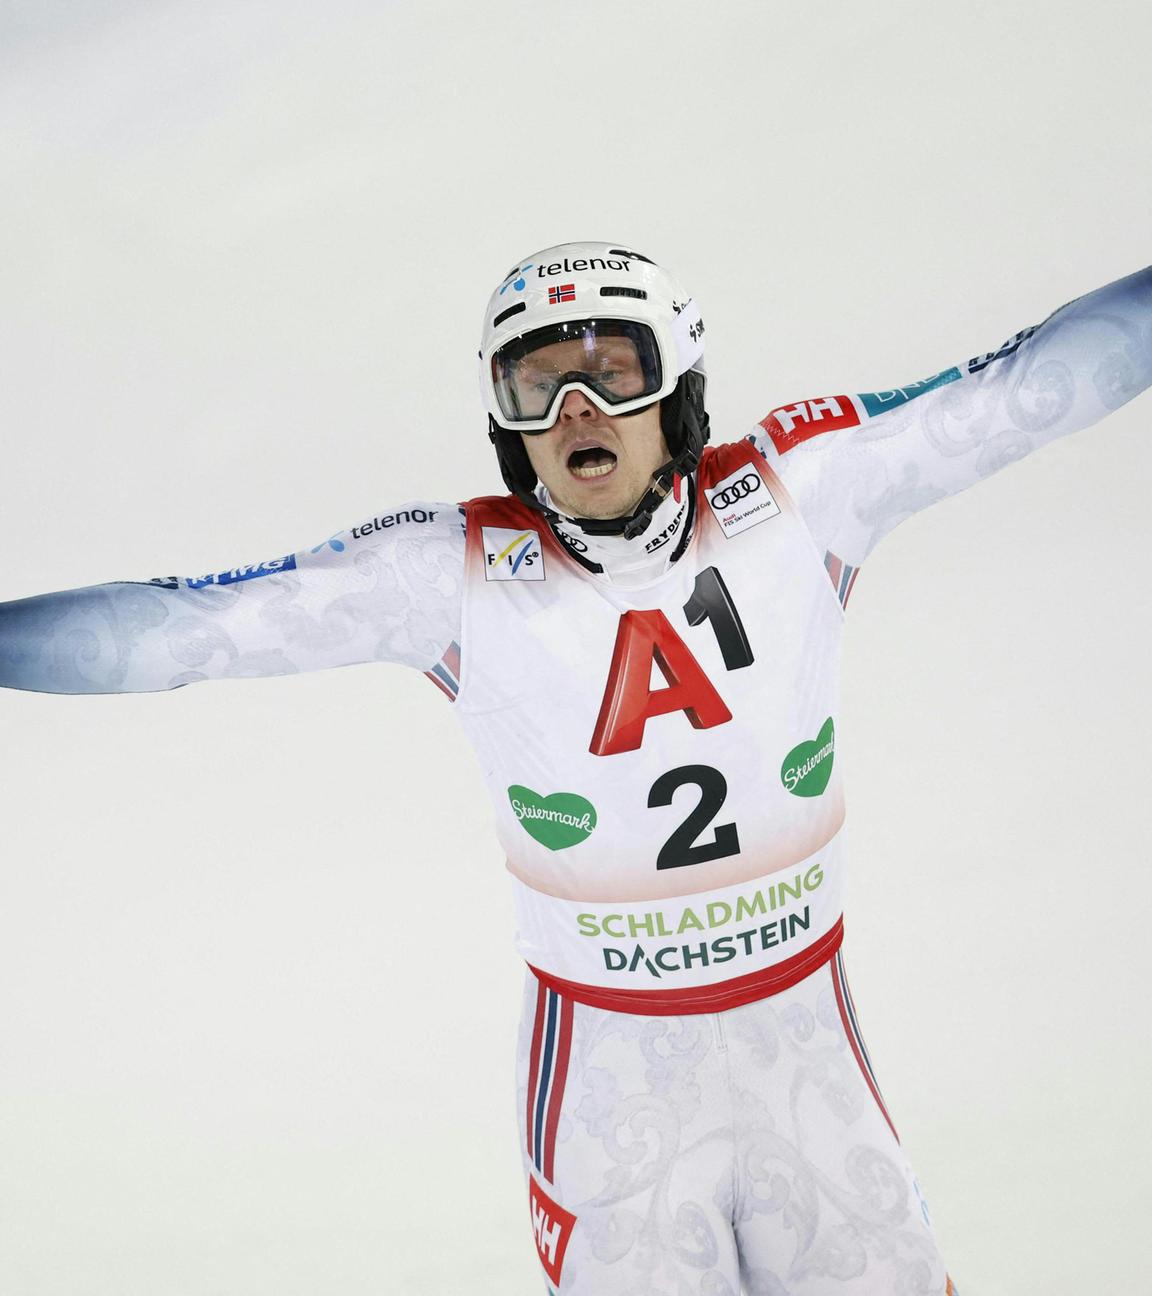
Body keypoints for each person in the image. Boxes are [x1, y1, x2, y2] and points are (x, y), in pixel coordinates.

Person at [2, 241, 1149, 1295]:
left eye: (613, 369)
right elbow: (187, 632)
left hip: (805, 1046)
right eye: (533, 385)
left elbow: (1027, 393)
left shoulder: (804, 491)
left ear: (683, 388)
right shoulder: (445, 572)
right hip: (614, 1081)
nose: (574, 410)